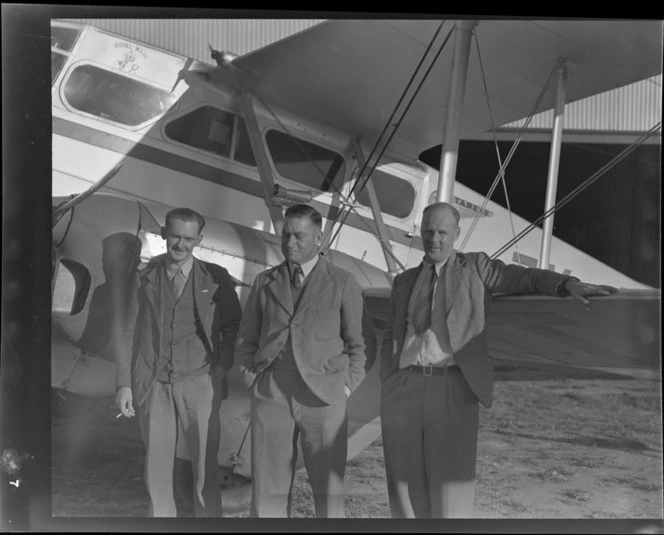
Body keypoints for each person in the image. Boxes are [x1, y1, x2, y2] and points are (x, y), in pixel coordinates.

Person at [380, 201, 617, 519]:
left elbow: (524, 278)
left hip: (451, 387)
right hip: (404, 388)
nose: (434, 239)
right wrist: (389, 381)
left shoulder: (475, 268)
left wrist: (566, 285)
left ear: (456, 233)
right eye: (427, 231)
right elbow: (391, 336)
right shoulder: (404, 281)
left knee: (451, 488)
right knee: (404, 487)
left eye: (442, 232)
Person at [235, 203, 376, 518]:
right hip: (272, 390)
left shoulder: (344, 282)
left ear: (320, 238)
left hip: (323, 395)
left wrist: (345, 388)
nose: (289, 243)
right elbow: (247, 338)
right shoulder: (264, 281)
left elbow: (359, 344)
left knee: (328, 489)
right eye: (285, 235)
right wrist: (251, 378)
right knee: (268, 487)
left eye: (299, 236)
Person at [115, 207, 242, 517]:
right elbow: (127, 331)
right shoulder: (143, 276)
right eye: (175, 236)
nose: (181, 245)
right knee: (156, 470)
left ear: (198, 239)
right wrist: (124, 383)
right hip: (154, 384)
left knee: (203, 470)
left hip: (200, 385)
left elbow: (231, 327)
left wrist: (222, 368)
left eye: (188, 238)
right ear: (163, 233)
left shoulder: (217, 277)